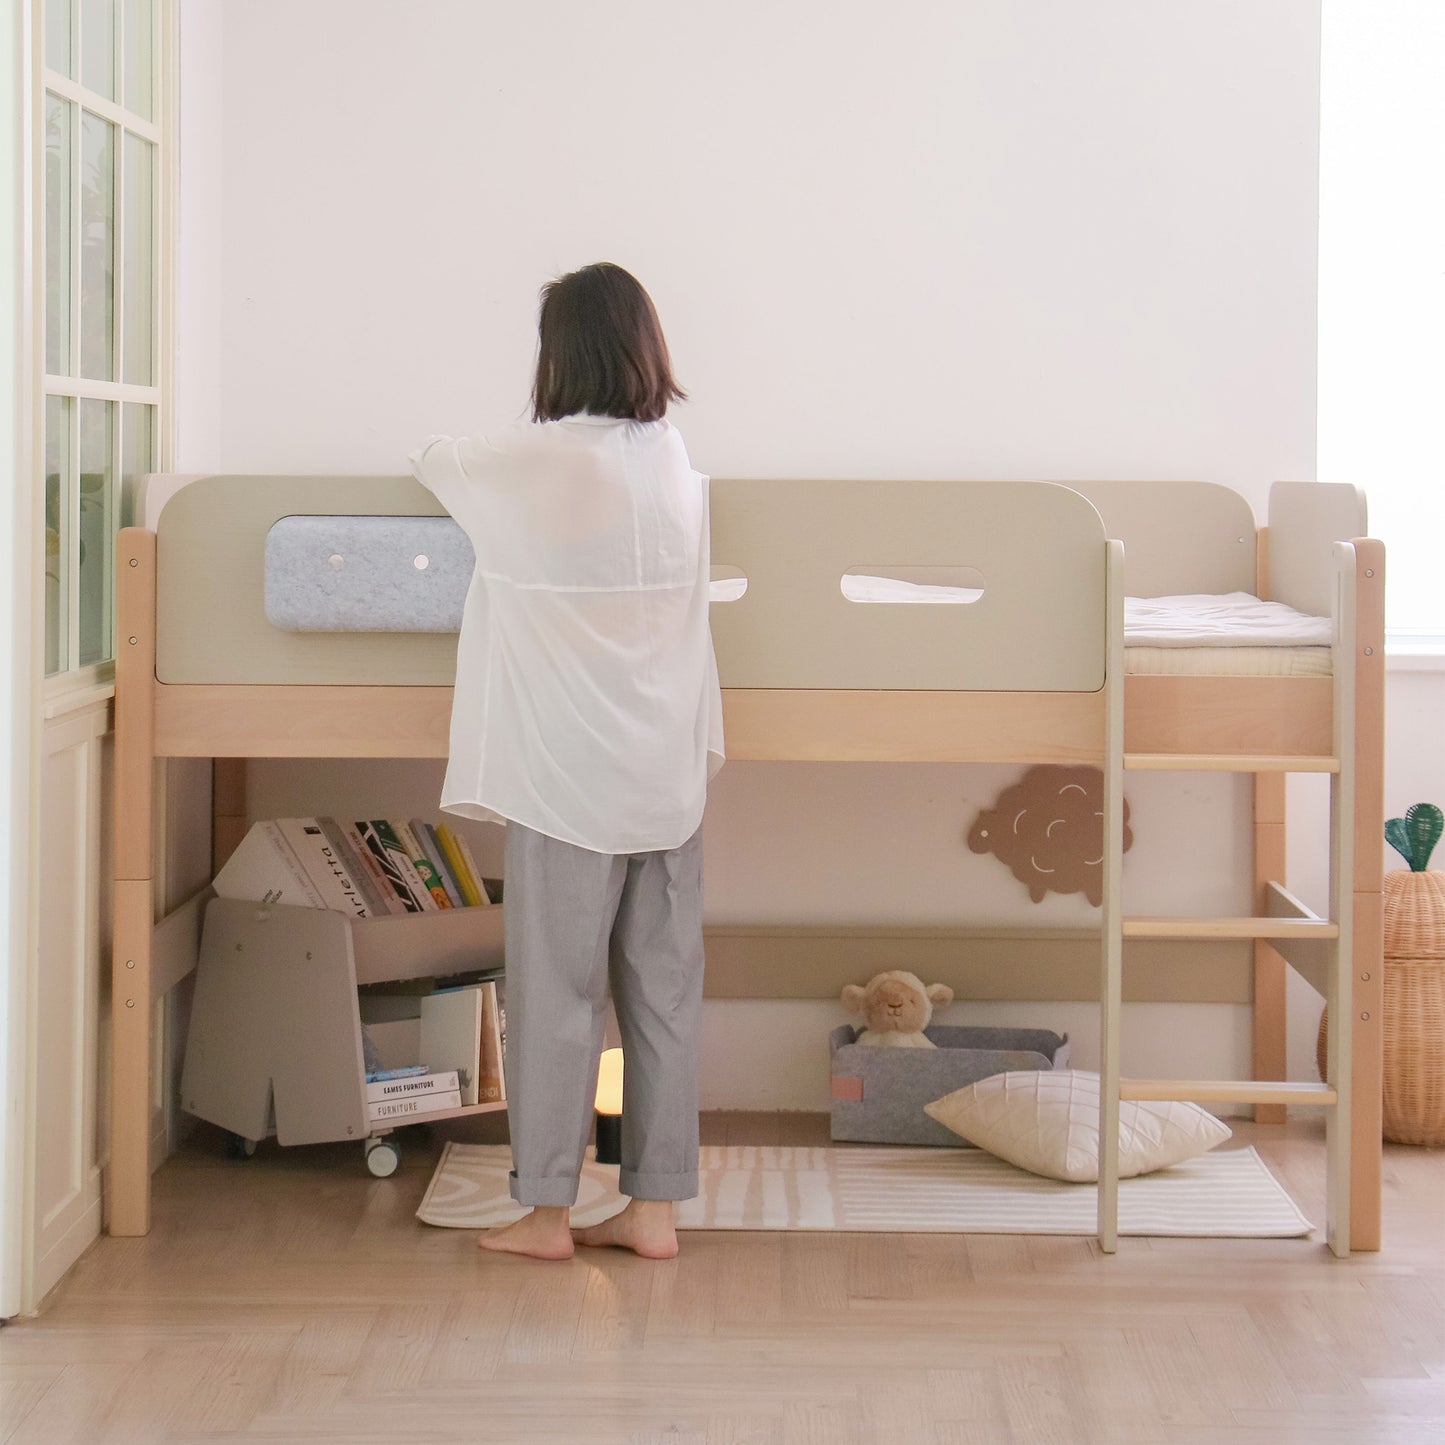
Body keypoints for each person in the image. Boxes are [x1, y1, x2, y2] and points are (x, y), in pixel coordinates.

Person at [408, 263, 724, 1260]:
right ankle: (656, 1209)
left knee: (557, 994)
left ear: (559, 353)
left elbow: (433, 458)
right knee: (662, 993)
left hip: (569, 774)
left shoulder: (541, 459)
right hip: (665, 773)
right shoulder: (672, 459)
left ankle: (546, 1208)